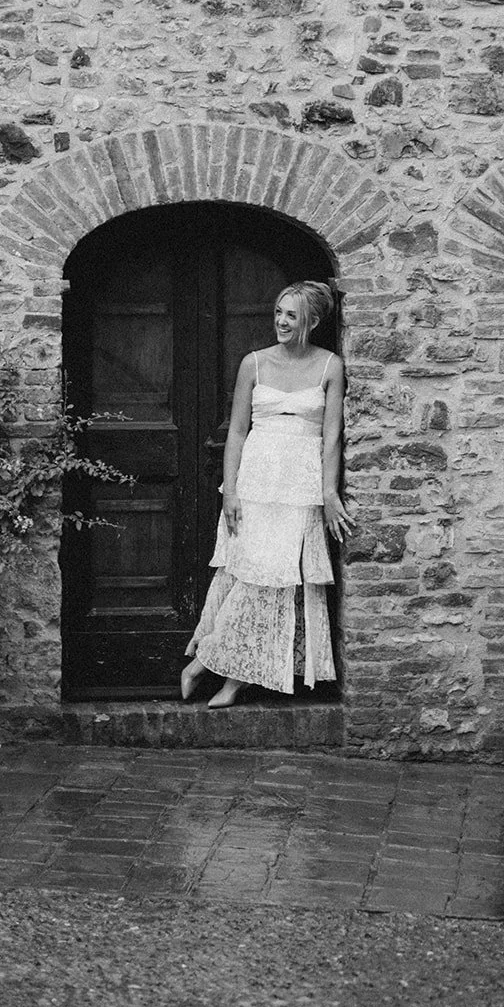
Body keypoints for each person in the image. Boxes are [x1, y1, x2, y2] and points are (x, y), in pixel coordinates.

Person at [180, 280, 353, 708]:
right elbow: (237, 432)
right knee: (249, 575)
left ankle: (214, 670)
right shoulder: (253, 364)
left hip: (301, 484)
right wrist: (230, 491)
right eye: (278, 311)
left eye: (290, 315)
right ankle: (222, 671)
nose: (280, 320)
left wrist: (329, 493)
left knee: (276, 580)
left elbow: (331, 437)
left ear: (311, 321)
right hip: (257, 479)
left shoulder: (330, 366)